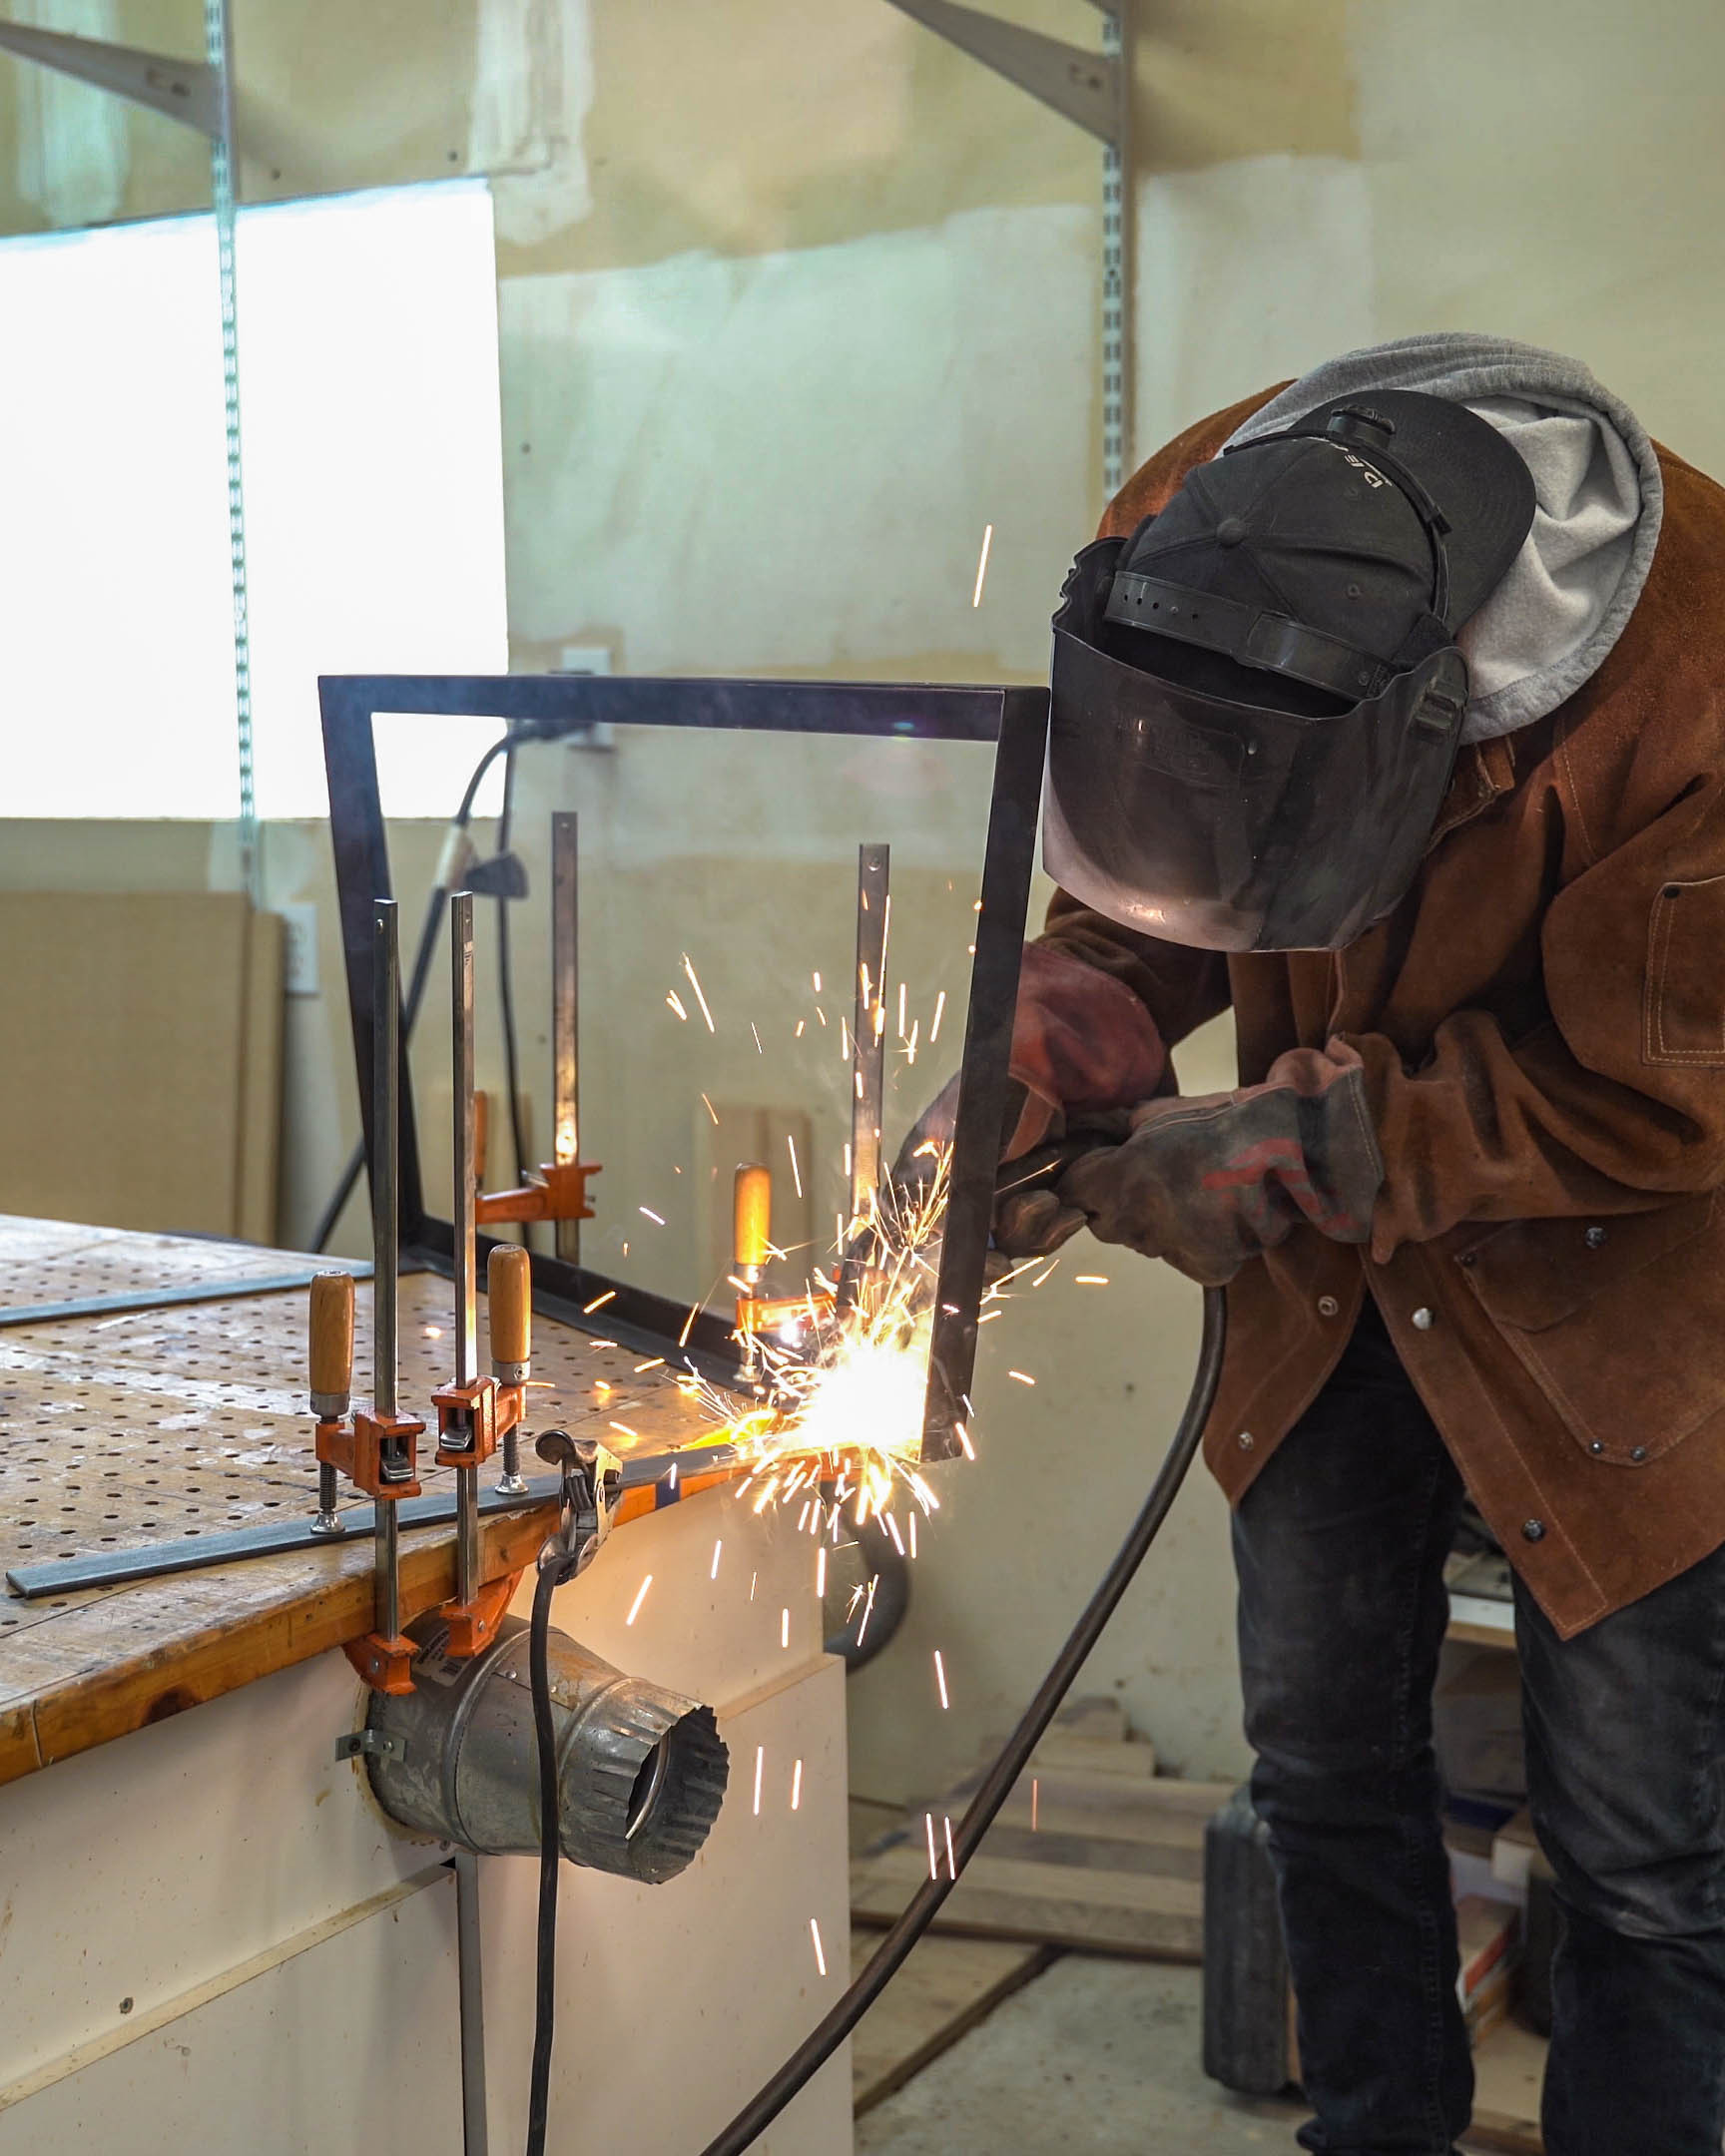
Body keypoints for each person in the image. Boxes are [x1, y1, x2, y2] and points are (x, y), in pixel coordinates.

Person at [985, 334, 1725, 2156]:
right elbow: (1171, 831)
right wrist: (1075, 999)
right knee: (1322, 1766)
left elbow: (1672, 1093)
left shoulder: (1704, 672)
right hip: (1327, 1298)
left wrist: (1316, 1138)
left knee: (1637, 1853)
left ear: (1447, 714)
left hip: (1612, 1309)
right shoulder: (1197, 507)